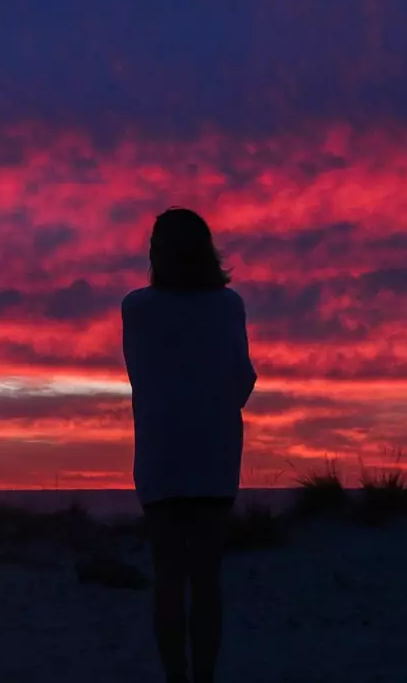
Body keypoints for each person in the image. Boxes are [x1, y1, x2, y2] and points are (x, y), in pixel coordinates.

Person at [121, 208, 257, 683]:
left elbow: (139, 375)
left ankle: (176, 679)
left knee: (168, 579)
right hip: (214, 457)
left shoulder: (136, 308)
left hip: (160, 459)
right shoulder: (228, 305)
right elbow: (242, 382)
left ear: (157, 253)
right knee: (206, 581)